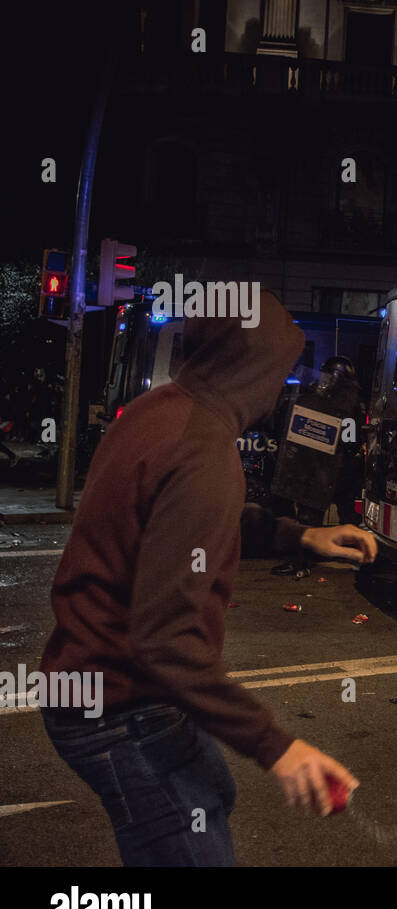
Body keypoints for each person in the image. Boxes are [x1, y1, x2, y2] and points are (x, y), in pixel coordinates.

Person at [40, 290, 375, 866]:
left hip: (92, 683)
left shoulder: (161, 410)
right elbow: (167, 642)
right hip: (119, 705)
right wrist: (281, 749)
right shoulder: (204, 452)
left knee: (211, 792)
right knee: (189, 838)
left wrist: (299, 535)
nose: (282, 386)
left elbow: (183, 517)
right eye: (280, 369)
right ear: (253, 365)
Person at [271, 355, 365, 576]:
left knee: (310, 516)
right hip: (336, 469)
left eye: (328, 376)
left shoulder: (343, 404)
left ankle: (301, 563)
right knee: (343, 515)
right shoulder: (340, 402)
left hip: (330, 469)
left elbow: (350, 439)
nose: (323, 380)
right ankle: (357, 558)